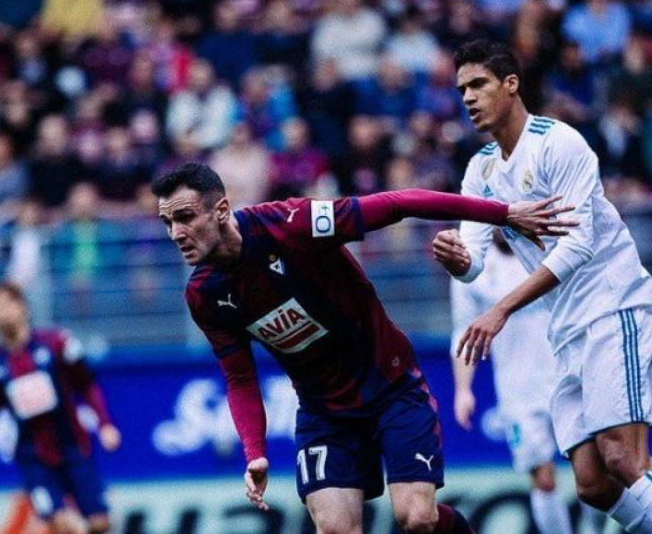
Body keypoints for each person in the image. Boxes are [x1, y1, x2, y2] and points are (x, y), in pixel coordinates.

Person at [153, 163, 574, 534]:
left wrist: (504, 213)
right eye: (168, 223)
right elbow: (240, 377)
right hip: (323, 411)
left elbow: (400, 203)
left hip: (390, 386)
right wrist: (255, 452)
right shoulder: (204, 295)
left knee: (418, 519)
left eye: (186, 218)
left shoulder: (291, 223)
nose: (176, 234)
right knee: (335, 528)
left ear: (221, 209)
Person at [434, 39, 652, 533]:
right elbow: (474, 266)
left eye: (478, 85)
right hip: (566, 328)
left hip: (612, 305)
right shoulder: (480, 172)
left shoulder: (560, 143)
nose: (468, 98)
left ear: (511, 85)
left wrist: (502, 309)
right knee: (592, 484)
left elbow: (577, 248)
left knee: (624, 457)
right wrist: (457, 262)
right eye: (461, 89)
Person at [0, 281, 121, 534]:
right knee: (62, 525)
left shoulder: (57, 344)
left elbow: (86, 385)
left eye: (8, 303)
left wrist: (105, 424)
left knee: (100, 524)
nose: (3, 311)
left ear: (23, 307)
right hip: (34, 460)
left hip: (74, 450)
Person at [444, 232, 604, 534]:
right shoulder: (471, 268)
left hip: (570, 380)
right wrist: (463, 390)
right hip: (517, 392)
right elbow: (462, 334)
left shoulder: (553, 252)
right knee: (543, 479)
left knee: (592, 476)